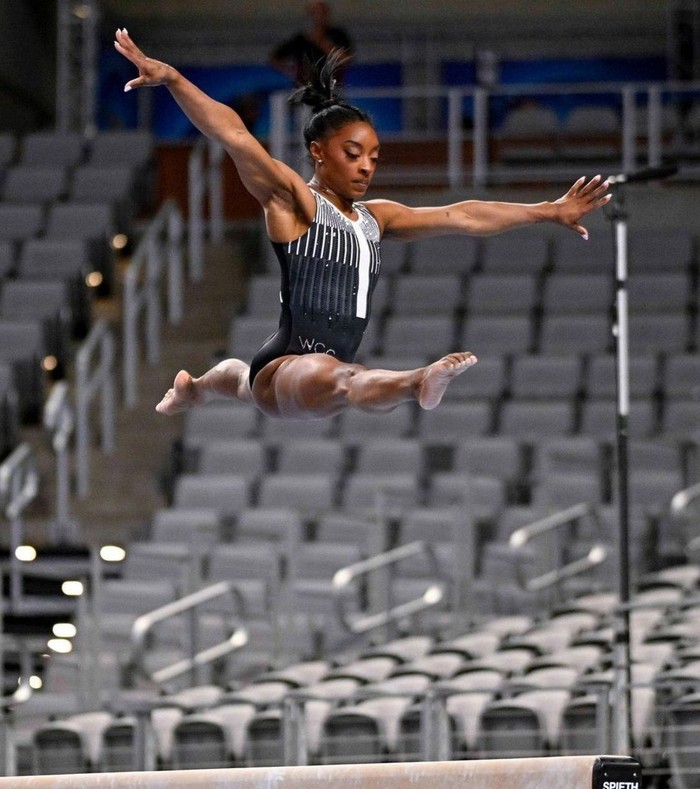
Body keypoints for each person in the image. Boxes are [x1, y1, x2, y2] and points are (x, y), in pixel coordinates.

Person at [114, 28, 611, 423]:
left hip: (300, 374)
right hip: (288, 366)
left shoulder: (376, 217)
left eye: (374, 156)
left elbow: (463, 215)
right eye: (353, 154)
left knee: (243, 380)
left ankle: (195, 389)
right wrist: (174, 80)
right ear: (318, 152)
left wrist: (547, 210)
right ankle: (416, 382)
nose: (366, 166)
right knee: (345, 380)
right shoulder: (294, 200)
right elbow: (235, 135)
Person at [269, 2, 352, 85]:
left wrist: (321, 42)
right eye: (315, 13)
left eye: (321, 13)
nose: (318, 17)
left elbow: (345, 59)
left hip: (331, 85)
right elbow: (275, 58)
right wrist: (292, 71)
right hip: (305, 86)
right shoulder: (301, 39)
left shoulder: (338, 35)